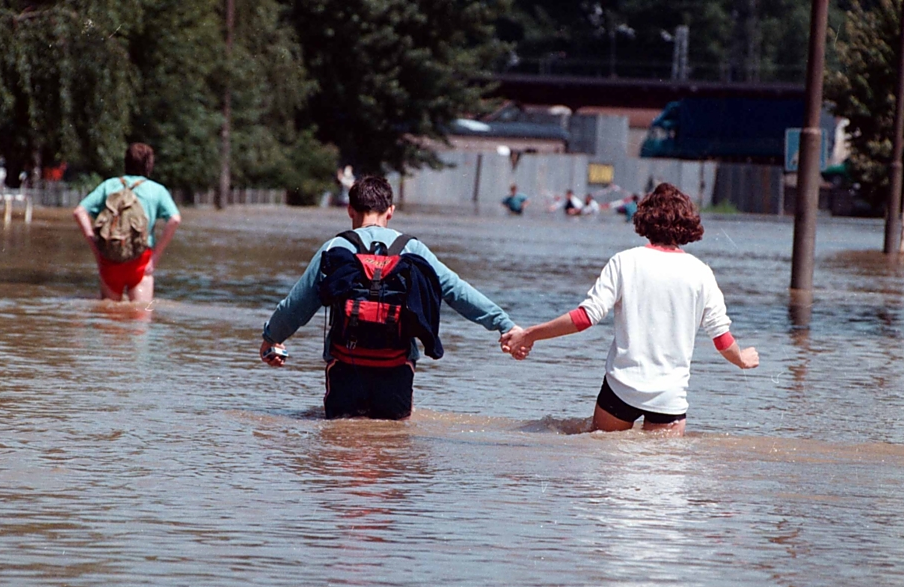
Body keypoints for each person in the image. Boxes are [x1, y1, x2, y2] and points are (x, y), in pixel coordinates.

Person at [501, 183, 759, 436]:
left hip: (621, 388)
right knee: (664, 474)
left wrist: (530, 334)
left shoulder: (625, 262)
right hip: (669, 397)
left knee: (609, 465)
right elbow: (722, 339)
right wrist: (742, 359)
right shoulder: (701, 273)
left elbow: (584, 318)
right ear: (687, 223)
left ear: (645, 219)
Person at [260, 175, 520, 420]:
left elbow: (298, 304)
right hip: (396, 367)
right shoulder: (412, 249)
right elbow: (456, 291)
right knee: (392, 448)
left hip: (345, 365)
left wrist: (272, 337)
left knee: (340, 443)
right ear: (390, 211)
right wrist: (504, 324)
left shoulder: (335, 248)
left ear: (350, 210)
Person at [73, 143, 181, 303]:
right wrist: (156, 256)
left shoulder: (109, 185)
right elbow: (175, 219)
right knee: (140, 320)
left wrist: (96, 249)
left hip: (110, 257)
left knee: (109, 321)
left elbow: (79, 211)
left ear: (126, 162)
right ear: (149, 165)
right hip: (141, 259)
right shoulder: (156, 190)